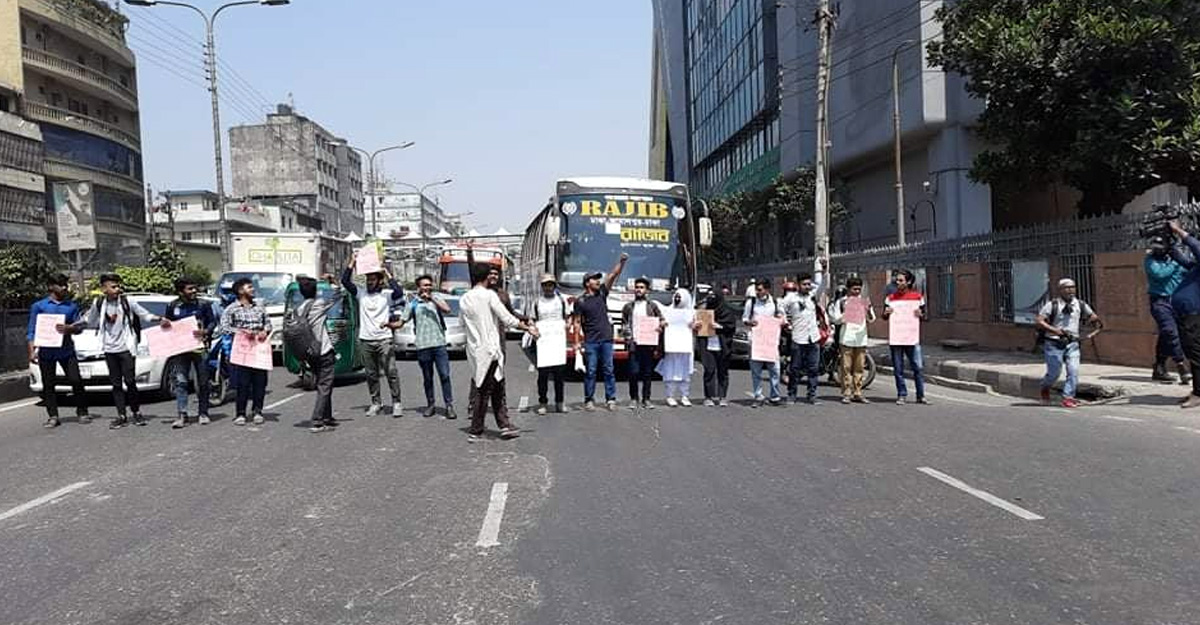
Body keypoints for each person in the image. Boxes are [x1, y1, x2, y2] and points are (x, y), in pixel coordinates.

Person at [460, 262, 539, 442]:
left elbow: (462, 323)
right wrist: (528, 328)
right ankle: (476, 430)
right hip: (491, 350)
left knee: (496, 387)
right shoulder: (490, 295)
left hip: (475, 350)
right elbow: (508, 318)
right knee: (484, 391)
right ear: (486, 277)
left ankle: (504, 425)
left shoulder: (464, 298)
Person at [80, 273, 167, 429]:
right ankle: (121, 415)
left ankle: (136, 412)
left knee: (130, 381)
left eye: (118, 286)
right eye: (113, 287)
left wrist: (160, 319)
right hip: (109, 349)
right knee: (116, 384)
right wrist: (71, 326)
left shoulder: (127, 302)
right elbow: (89, 320)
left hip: (126, 348)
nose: (117, 289)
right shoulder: (99, 303)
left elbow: (145, 315)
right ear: (104, 289)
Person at [342, 256, 405, 417]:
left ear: (379, 281)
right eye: (368, 279)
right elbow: (345, 282)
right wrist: (352, 263)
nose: (370, 282)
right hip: (366, 340)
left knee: (391, 372)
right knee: (371, 374)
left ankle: (396, 402)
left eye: (373, 279)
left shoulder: (386, 295)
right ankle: (376, 403)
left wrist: (387, 273)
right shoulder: (361, 294)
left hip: (384, 339)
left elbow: (399, 292)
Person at [27, 274, 90, 428]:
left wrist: (70, 329)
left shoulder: (71, 306)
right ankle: (53, 416)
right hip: (46, 352)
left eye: (65, 284)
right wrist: (32, 351)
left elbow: (79, 327)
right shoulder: (39, 306)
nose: (64, 288)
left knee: (76, 380)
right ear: (51, 287)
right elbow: (32, 330)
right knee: (48, 384)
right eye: (61, 284)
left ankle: (82, 411)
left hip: (66, 351)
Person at [392, 275, 456, 419]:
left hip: (439, 344)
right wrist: (388, 325)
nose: (427, 287)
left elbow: (447, 310)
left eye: (429, 285)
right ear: (419, 287)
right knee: (428, 377)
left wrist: (431, 298)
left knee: (445, 375)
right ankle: (430, 404)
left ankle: (449, 405)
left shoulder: (437, 299)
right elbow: (401, 322)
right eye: (424, 285)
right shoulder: (413, 303)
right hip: (423, 345)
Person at [571, 253, 629, 412]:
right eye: (594, 279)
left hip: (606, 340)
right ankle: (589, 399)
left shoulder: (602, 293)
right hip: (591, 341)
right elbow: (577, 323)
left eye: (598, 279)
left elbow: (613, 275)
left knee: (609, 370)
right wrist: (576, 342)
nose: (598, 281)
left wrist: (622, 262)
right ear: (587, 283)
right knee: (591, 371)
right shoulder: (580, 301)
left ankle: (610, 399)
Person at [1036, 278, 1102, 409]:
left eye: (1072, 287)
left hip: (1072, 343)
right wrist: (1054, 330)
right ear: (1060, 290)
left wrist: (1091, 321)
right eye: (1066, 288)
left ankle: (1068, 397)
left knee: (1073, 370)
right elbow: (1039, 321)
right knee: (1054, 372)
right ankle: (1045, 387)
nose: (1070, 290)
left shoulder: (1080, 304)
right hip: (1054, 343)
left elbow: (1093, 316)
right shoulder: (1052, 305)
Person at [165, 278, 218, 429]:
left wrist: (205, 331)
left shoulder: (203, 304)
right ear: (180, 291)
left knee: (203, 382)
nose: (194, 291)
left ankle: (203, 413)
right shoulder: (173, 306)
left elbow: (212, 322)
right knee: (180, 382)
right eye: (190, 289)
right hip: (181, 349)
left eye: (195, 288)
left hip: (200, 348)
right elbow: (168, 325)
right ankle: (182, 415)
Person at [218, 277, 271, 426]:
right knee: (243, 383)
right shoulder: (231, 309)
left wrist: (264, 331)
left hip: (259, 348)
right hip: (242, 350)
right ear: (240, 291)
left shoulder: (259, 307)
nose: (253, 290)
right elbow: (224, 327)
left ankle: (257, 411)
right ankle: (240, 413)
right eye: (249, 287)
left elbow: (268, 324)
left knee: (260, 382)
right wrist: (241, 332)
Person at [299, 274, 347, 433]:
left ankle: (327, 416)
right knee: (325, 386)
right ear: (315, 291)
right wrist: (332, 281)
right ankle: (318, 421)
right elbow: (339, 294)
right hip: (323, 350)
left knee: (324, 384)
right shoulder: (318, 304)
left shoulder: (299, 309)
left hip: (309, 352)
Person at [1145, 235, 1190, 384]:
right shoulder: (1150, 260)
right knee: (1170, 331)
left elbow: (1188, 271)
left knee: (1167, 335)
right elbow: (1160, 274)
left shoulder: (1175, 259)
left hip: (1177, 302)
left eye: (1160, 248)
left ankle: (1159, 366)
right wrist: (1176, 262)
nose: (1157, 251)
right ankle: (1180, 365)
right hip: (1160, 301)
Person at [783, 259, 828, 405]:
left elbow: (822, 285)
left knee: (813, 369)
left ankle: (812, 395)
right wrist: (785, 322)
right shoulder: (791, 298)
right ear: (798, 285)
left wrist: (824, 270)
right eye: (804, 284)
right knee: (795, 368)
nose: (807, 287)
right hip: (798, 338)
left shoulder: (813, 297)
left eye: (809, 284)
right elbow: (779, 309)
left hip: (813, 338)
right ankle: (792, 394)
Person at [882, 269, 930, 405]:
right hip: (896, 338)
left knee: (918, 367)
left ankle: (920, 396)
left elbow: (924, 315)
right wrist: (886, 312)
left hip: (911, 338)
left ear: (908, 282)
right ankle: (901, 394)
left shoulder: (917, 297)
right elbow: (884, 316)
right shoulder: (890, 298)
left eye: (901, 280)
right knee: (898, 369)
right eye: (896, 280)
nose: (898, 282)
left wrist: (920, 314)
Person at [1167, 220, 1200, 407]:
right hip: (1187, 314)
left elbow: (1196, 247)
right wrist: (1171, 248)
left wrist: (1179, 230)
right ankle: (1197, 390)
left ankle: (1199, 393)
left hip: (1193, 314)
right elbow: (1187, 263)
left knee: (1195, 352)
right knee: (1191, 351)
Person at [829, 276, 876, 403]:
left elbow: (872, 318)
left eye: (859, 289)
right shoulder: (842, 302)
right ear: (848, 289)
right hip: (847, 338)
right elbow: (835, 319)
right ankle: (846, 392)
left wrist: (868, 310)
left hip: (861, 338)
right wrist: (845, 315)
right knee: (846, 367)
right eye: (854, 289)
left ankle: (858, 392)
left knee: (859, 367)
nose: (857, 292)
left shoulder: (864, 301)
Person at [530, 274, 571, 414]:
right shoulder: (537, 302)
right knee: (543, 375)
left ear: (554, 286)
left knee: (559, 375)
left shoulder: (561, 300)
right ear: (542, 287)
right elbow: (532, 320)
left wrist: (567, 325)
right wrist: (533, 330)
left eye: (550, 285)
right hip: (543, 342)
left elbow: (568, 317)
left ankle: (560, 402)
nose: (548, 288)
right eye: (546, 285)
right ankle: (543, 402)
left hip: (557, 341)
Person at [621, 276, 664, 409]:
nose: (639, 290)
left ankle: (646, 399)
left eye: (642, 287)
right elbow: (624, 324)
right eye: (637, 287)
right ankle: (634, 398)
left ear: (647, 290)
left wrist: (660, 326)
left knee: (647, 373)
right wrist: (628, 338)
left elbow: (661, 320)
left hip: (648, 344)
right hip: (634, 344)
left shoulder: (652, 306)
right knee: (633, 372)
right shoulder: (628, 307)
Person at [743, 277, 784, 407]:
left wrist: (780, 320)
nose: (757, 292)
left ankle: (775, 396)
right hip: (756, 341)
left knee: (775, 370)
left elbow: (782, 317)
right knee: (756, 370)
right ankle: (758, 395)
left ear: (767, 290)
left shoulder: (776, 303)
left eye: (760, 290)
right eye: (756, 289)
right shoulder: (751, 303)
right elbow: (745, 318)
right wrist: (750, 322)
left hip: (771, 342)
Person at [657, 288, 696, 406]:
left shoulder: (691, 313)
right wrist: (662, 323)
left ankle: (685, 395)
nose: (677, 299)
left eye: (680, 297)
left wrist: (695, 326)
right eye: (676, 296)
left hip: (685, 346)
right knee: (671, 370)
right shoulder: (668, 311)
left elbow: (696, 328)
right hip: (671, 346)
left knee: (685, 371)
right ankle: (670, 395)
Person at [700, 287, 737, 406]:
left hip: (722, 345)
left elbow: (731, 327)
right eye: (709, 296)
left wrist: (720, 326)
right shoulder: (705, 311)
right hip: (708, 345)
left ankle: (722, 396)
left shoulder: (727, 312)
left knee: (723, 371)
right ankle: (708, 396)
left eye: (713, 296)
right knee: (709, 370)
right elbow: (699, 328)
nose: (711, 299)